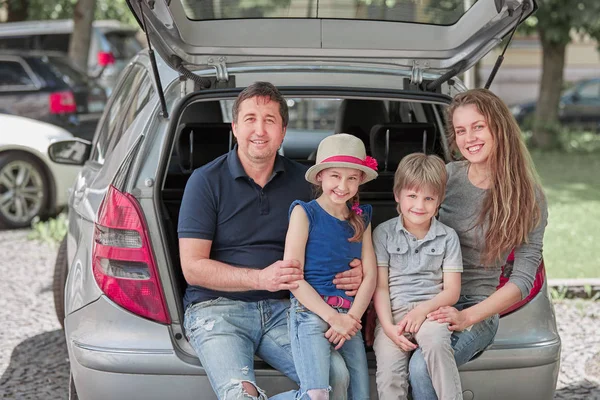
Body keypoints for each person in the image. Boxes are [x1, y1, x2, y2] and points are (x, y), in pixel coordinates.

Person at [178, 82, 363, 400]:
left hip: (287, 308)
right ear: (235, 127)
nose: (259, 130)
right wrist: (261, 277)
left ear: (283, 131)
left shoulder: (308, 184)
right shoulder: (205, 181)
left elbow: (336, 241)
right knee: (240, 395)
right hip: (217, 309)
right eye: (250, 119)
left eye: (269, 120)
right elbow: (193, 268)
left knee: (336, 378)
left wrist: (356, 268)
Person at [408, 88, 548, 399]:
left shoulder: (529, 197)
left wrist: (467, 317)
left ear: (498, 127)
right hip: (426, 296)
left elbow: (523, 280)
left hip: (476, 308)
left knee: (422, 368)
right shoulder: (446, 177)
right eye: (460, 130)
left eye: (478, 126)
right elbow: (406, 229)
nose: (469, 137)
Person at [284, 134, 378, 400]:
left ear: (360, 180)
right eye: (335, 176)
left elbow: (370, 275)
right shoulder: (305, 213)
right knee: (317, 394)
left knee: (359, 393)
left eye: (351, 178)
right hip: (311, 313)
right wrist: (333, 317)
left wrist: (351, 318)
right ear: (320, 177)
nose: (342, 185)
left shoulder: (362, 219)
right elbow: (294, 278)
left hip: (349, 317)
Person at [372, 153, 464, 400]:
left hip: (431, 313)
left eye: (428, 198)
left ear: (439, 201)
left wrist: (422, 311)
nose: (419, 206)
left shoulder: (447, 237)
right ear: (397, 196)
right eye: (412, 196)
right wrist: (389, 328)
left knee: (436, 344)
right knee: (390, 377)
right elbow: (380, 287)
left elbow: (451, 292)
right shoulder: (383, 234)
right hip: (393, 315)